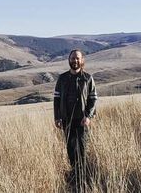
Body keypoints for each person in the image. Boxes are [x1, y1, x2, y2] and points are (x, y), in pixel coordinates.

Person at [54, 49, 98, 183]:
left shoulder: (88, 78)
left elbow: (93, 99)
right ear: (69, 60)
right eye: (73, 58)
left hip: (82, 121)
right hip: (67, 120)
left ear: (82, 60)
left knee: (82, 150)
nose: (75, 61)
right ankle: (76, 176)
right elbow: (56, 98)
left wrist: (88, 117)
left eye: (77, 58)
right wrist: (57, 117)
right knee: (70, 151)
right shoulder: (62, 79)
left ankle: (83, 180)